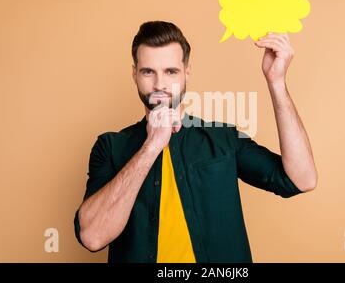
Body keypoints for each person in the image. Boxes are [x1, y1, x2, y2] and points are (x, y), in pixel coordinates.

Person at [73, 21, 318, 263]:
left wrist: (276, 82)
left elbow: (302, 180)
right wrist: (151, 147)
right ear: (134, 74)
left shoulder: (224, 139)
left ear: (187, 71)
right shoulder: (110, 147)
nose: (159, 84)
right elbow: (92, 237)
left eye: (171, 71)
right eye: (148, 71)